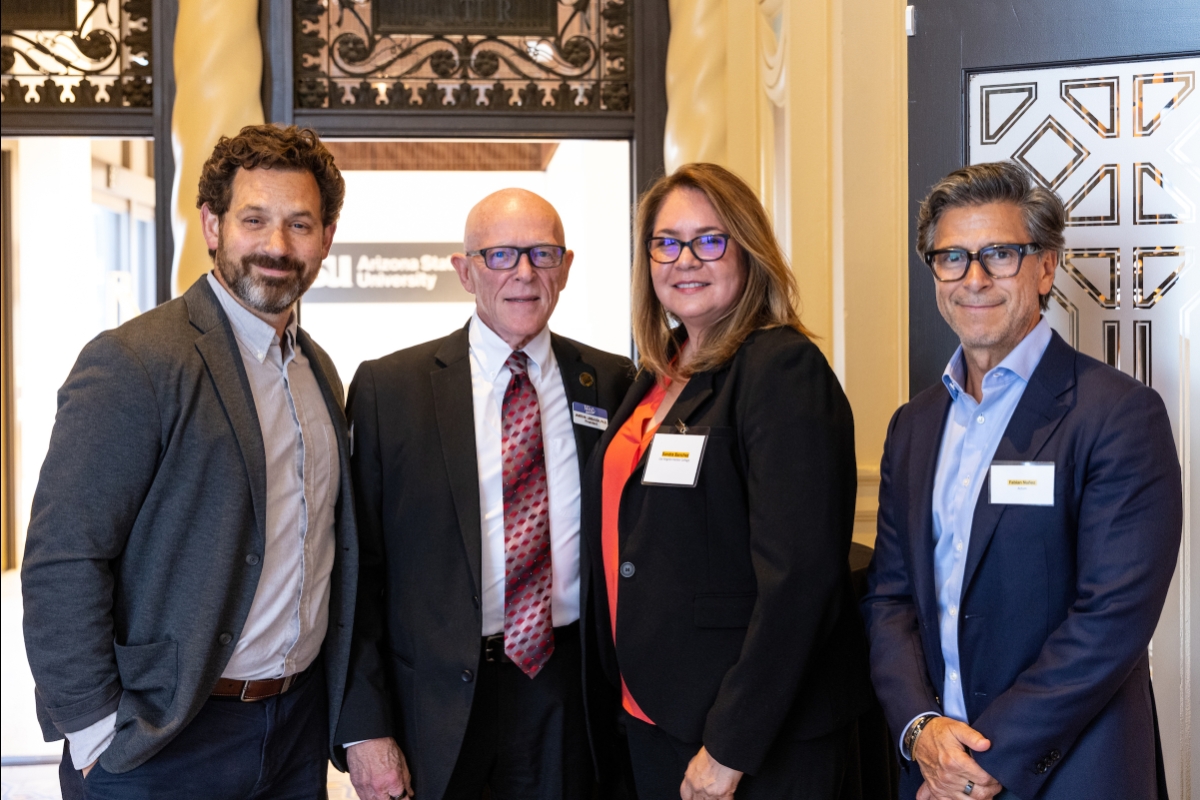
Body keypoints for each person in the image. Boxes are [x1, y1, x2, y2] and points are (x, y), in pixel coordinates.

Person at [20, 124, 357, 799]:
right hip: (167, 737)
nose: (277, 246)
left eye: (300, 224)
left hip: (293, 730)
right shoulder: (136, 361)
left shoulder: (317, 370)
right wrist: (94, 736)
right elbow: (63, 558)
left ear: (326, 237)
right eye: (254, 219)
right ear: (212, 224)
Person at [862, 161, 1182, 800]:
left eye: (999, 255)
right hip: (930, 770)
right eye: (951, 257)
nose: (973, 279)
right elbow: (889, 599)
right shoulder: (914, 425)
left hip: (1070, 773)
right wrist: (921, 730)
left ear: (1045, 267)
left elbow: (1110, 620)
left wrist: (977, 766)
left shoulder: (1118, 412)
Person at [580, 162, 872, 799]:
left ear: (749, 252)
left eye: (710, 240)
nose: (685, 259)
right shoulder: (658, 375)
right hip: (657, 714)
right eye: (667, 242)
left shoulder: (779, 368)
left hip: (746, 738)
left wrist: (729, 747)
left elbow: (800, 580)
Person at [335, 188, 636, 800]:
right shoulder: (389, 389)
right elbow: (356, 575)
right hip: (437, 703)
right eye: (501, 255)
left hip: (570, 692)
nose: (524, 273)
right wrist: (365, 728)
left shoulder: (611, 382)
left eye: (543, 254)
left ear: (567, 266)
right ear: (465, 271)